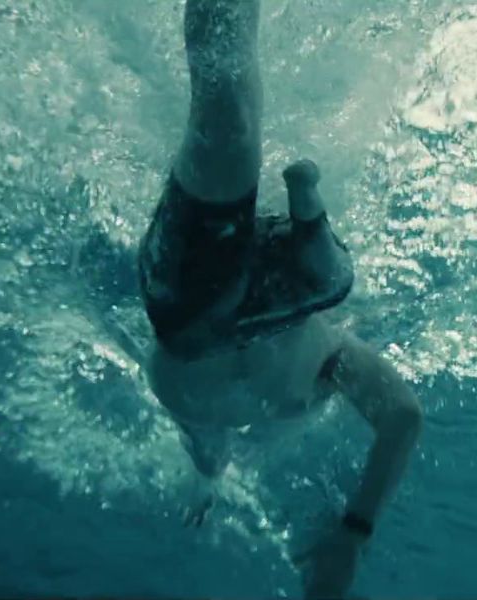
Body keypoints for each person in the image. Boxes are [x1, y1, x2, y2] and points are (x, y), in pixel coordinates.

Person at [135, 0, 424, 597]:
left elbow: (399, 418)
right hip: (253, 309)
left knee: (227, 119)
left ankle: (309, 216)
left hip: (197, 312)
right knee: (230, 123)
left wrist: (207, 479)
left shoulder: (287, 389)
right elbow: (401, 415)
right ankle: (307, 219)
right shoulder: (316, 378)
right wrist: (350, 535)